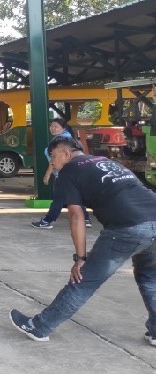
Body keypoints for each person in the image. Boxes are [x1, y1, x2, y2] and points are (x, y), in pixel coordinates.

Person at [10, 136, 156, 343]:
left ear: (66, 153)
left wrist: (80, 258)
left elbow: (76, 217)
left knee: (83, 281)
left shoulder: (69, 171)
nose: (52, 163)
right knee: (150, 277)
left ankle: (40, 327)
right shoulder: (105, 161)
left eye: (53, 157)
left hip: (127, 226)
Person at [32, 118, 93, 229]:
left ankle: (47, 221)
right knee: (75, 197)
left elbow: (55, 159)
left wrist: (47, 174)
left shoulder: (62, 141)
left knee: (58, 199)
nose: (53, 128)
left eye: (56, 126)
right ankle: (86, 219)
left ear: (63, 128)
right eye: (51, 126)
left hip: (64, 173)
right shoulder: (66, 138)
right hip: (71, 173)